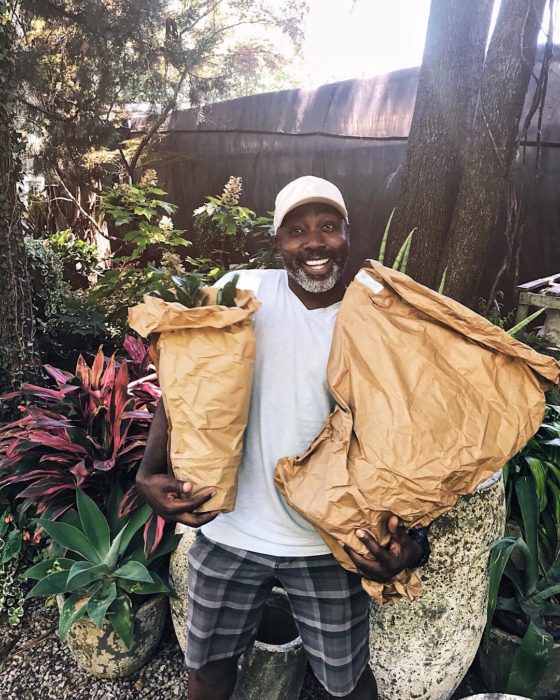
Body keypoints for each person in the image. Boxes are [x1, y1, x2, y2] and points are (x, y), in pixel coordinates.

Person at [136, 176, 428, 700]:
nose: (314, 242)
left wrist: (413, 540)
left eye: (327, 227)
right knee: (206, 671)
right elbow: (184, 377)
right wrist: (148, 470)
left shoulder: (379, 315)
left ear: (347, 234)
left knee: (346, 681)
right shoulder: (241, 289)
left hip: (329, 542)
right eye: (297, 230)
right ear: (278, 242)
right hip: (229, 528)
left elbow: (416, 431)